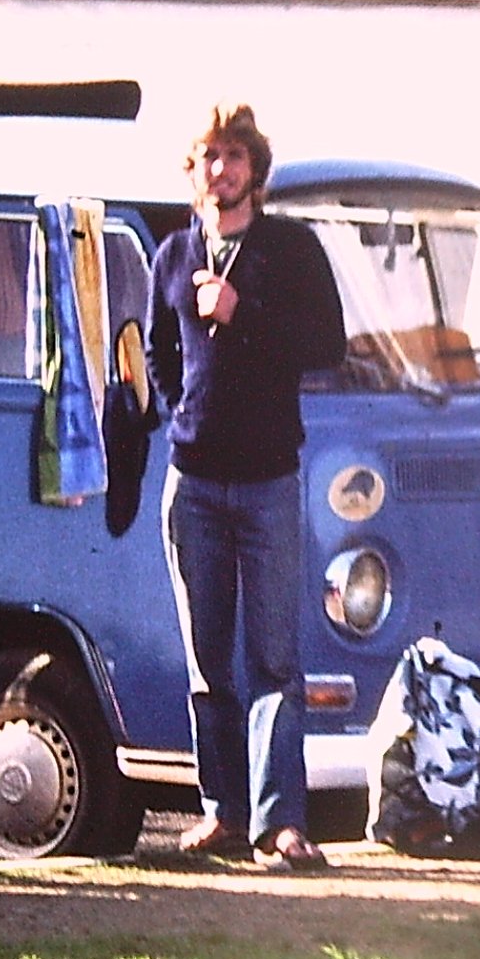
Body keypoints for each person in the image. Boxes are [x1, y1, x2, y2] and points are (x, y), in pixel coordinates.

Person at [148, 103, 347, 870]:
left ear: (254, 168)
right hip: (193, 481)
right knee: (207, 660)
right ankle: (221, 811)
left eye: (233, 155)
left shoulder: (290, 250)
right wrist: (181, 412)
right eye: (206, 155)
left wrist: (243, 312)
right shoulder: (173, 253)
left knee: (273, 658)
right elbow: (160, 349)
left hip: (268, 481)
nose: (220, 169)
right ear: (192, 169)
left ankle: (280, 822)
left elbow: (326, 343)